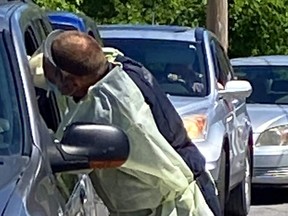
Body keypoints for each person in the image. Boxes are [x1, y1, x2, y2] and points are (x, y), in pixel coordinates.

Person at [31, 29, 214, 216]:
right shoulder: (119, 68)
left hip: (177, 208)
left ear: (71, 84)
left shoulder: (107, 110)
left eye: (51, 73)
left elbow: (58, 152)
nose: (47, 78)